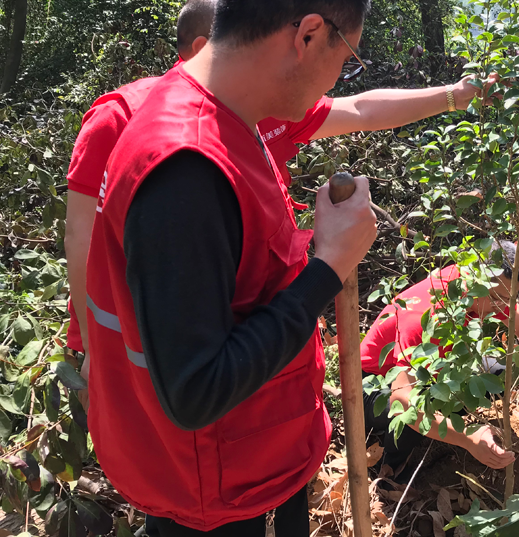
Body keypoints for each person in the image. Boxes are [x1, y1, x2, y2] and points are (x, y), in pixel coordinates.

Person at [65, 0, 496, 403]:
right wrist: (93, 352)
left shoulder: (261, 108)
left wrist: (455, 96)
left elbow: (361, 110)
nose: (335, 79)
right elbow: (83, 239)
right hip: (168, 401)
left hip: (255, 393)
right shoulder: (156, 135)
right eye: (346, 58)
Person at [83, 0, 380, 534]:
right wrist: (330, 265)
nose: (338, 79)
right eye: (347, 59)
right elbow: (197, 390)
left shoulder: (226, 117)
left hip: (250, 462)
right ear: (309, 35)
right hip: (213, 492)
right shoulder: (187, 167)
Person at [361, 241, 519, 477]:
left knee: (499, 374)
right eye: (497, 298)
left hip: (430, 373)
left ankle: (439, 428)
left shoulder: (490, 292)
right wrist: (467, 438)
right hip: (371, 385)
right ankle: (389, 472)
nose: (503, 307)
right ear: (473, 279)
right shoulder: (425, 316)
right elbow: (403, 401)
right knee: (414, 409)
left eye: (509, 299)